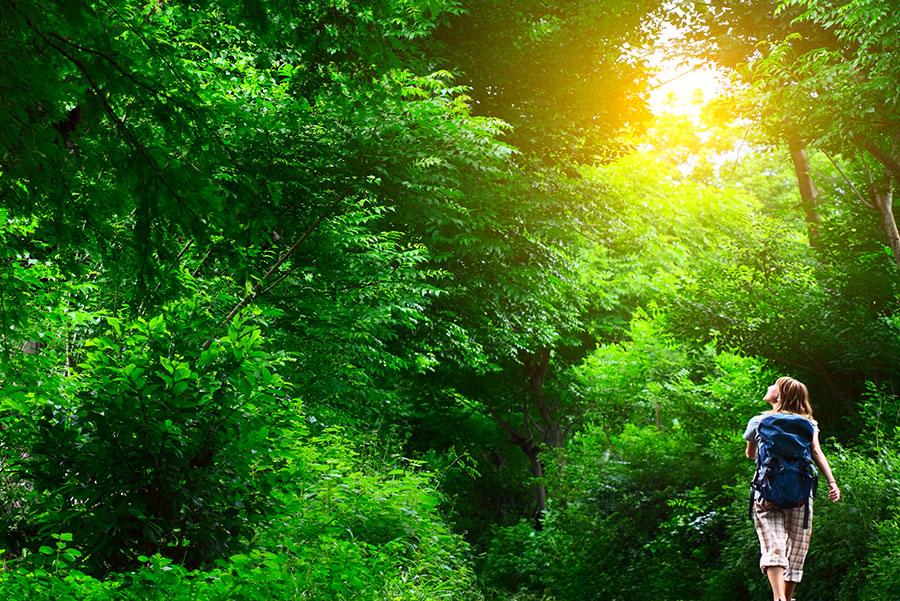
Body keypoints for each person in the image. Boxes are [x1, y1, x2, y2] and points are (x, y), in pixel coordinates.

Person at [743, 376, 841, 601]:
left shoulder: (758, 421)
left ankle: (778, 598)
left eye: (773, 386)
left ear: (780, 395)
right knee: (797, 548)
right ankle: (787, 598)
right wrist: (832, 482)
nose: (769, 387)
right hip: (801, 494)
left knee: (773, 545)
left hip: (766, 493)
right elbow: (816, 452)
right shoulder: (809, 423)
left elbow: (751, 455)